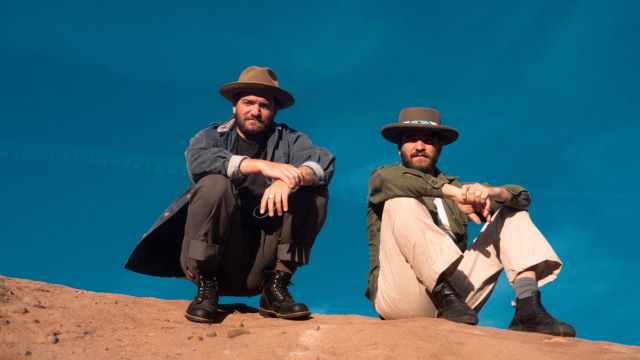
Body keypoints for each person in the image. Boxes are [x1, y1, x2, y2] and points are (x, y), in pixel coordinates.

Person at [125, 66, 335, 323]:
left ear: (275, 111)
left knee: (315, 192)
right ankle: (206, 287)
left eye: (264, 105)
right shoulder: (212, 137)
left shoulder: (291, 140)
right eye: (248, 102)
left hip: (261, 260)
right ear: (234, 106)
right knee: (215, 184)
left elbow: (323, 163)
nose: (255, 111)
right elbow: (199, 161)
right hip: (215, 259)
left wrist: (293, 179)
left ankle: (276, 288)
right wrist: (259, 165)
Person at [365, 107, 575, 337]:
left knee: (510, 212)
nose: (419, 146)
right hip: (403, 297)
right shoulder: (385, 177)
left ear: (440, 147)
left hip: (459, 301)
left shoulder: (460, 188)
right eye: (411, 139)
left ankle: (528, 309)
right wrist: (451, 194)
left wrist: (492, 192)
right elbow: (385, 180)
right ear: (399, 147)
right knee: (401, 202)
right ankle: (443, 294)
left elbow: (521, 197)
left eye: (428, 140)